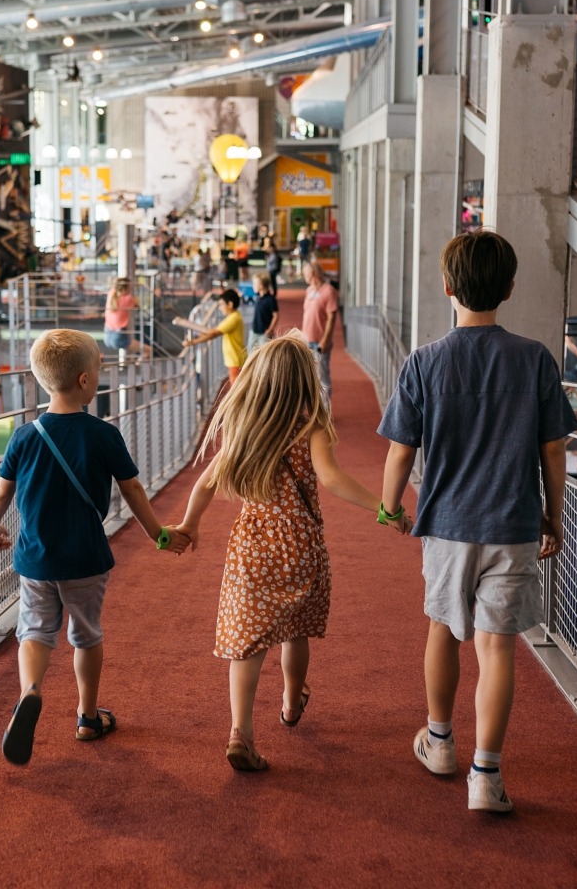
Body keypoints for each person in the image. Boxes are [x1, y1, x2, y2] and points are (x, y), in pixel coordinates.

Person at [377, 230, 576, 814]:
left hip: (447, 523)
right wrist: (553, 516)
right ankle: (486, 777)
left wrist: (390, 506)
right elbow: (555, 449)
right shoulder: (535, 359)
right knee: (498, 647)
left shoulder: (424, 363)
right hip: (514, 524)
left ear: (446, 288)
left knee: (442, 628)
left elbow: (400, 450)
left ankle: (439, 744)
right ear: (510, 288)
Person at [174, 336, 410, 771]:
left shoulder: (244, 424)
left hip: (253, 544)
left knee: (246, 642)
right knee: (295, 629)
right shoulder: (311, 425)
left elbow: (207, 481)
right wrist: (384, 508)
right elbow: (333, 479)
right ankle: (289, 700)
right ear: (305, 380)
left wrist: (189, 525)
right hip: (300, 544)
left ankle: (240, 731)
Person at [0, 329, 188, 766]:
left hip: (35, 556)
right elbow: (131, 488)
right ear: (83, 381)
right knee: (85, 634)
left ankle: (30, 691)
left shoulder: (24, 436)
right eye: (97, 369)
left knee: (35, 630)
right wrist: (158, 534)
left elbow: (2, 492)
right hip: (86, 557)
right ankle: (87, 716)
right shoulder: (102, 434)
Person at [184, 289, 247, 386]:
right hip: (235, 358)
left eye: (221, 305)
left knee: (236, 389)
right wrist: (197, 337)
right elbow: (212, 332)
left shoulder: (233, 318)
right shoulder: (235, 316)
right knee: (237, 387)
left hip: (235, 359)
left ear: (230, 304)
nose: (220, 308)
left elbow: (213, 333)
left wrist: (193, 341)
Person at [300, 262, 339, 395]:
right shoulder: (309, 290)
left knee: (322, 379)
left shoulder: (329, 291)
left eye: (305, 273)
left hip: (320, 342)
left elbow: (331, 318)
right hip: (306, 340)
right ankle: (312, 411)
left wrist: (325, 340)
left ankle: (325, 413)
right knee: (307, 378)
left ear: (312, 274)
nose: (303, 275)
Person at [103, 277, 143, 356]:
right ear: (127, 288)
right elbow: (138, 307)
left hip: (107, 336)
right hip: (118, 336)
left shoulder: (111, 293)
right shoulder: (129, 299)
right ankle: (138, 366)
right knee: (148, 351)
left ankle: (134, 366)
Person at [249, 274, 279, 350]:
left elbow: (276, 315)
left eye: (255, 284)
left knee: (264, 353)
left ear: (262, 285)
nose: (253, 286)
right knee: (251, 351)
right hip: (254, 330)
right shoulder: (258, 297)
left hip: (265, 333)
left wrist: (270, 329)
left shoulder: (271, 299)